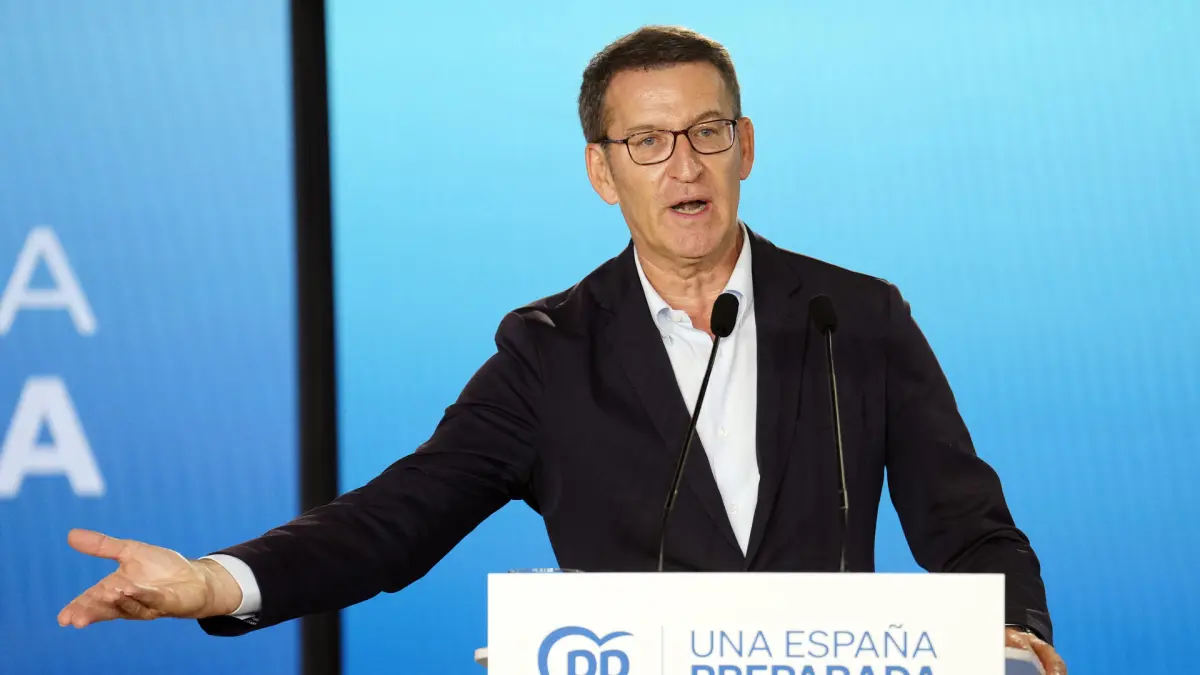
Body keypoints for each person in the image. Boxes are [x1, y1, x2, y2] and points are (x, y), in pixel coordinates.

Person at [58, 25, 1066, 674]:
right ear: (601, 171)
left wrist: (1016, 631)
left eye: (708, 133)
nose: (685, 165)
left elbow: (970, 529)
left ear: (747, 147)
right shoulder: (551, 353)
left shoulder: (855, 316)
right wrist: (218, 579)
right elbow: (397, 519)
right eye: (649, 142)